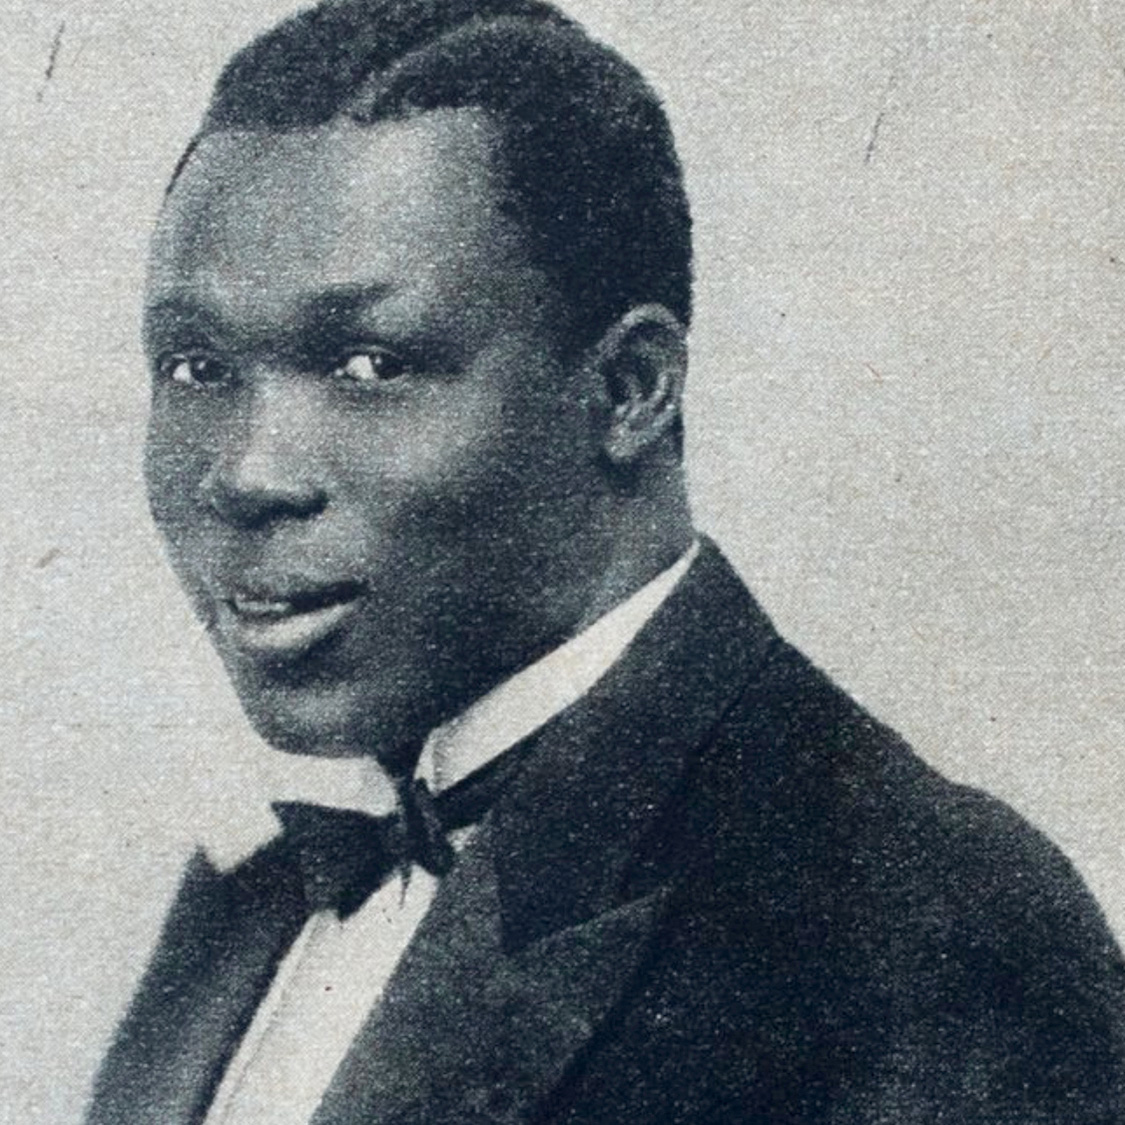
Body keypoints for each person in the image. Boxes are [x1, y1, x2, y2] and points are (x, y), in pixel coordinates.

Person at [85, 0, 1125, 1121]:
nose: (245, 474)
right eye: (195, 368)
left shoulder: (931, 931)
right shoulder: (259, 894)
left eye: (371, 364)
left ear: (631, 389)